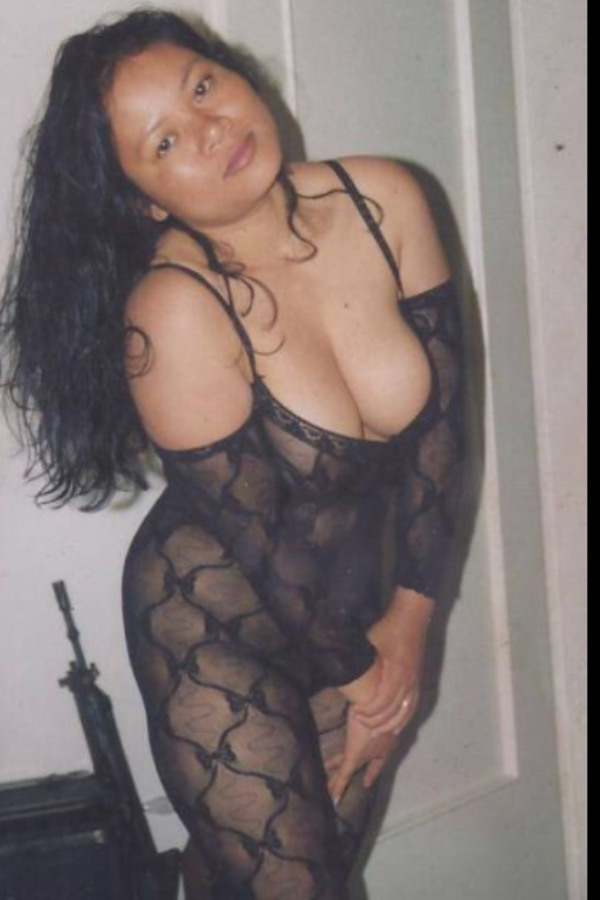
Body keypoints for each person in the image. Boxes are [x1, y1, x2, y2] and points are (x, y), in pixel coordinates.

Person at [0, 9, 465, 899]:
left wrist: (409, 627)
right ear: (146, 200)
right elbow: (266, 547)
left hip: (358, 607)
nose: (211, 129)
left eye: (203, 87)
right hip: (221, 630)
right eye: (165, 141)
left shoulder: (385, 200)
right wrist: (373, 680)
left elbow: (444, 432)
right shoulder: (173, 309)